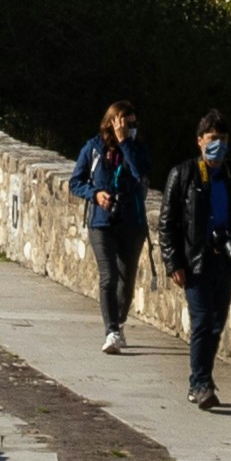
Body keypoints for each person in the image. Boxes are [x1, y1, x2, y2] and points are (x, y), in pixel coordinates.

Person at [168, 115, 231, 411]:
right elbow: (168, 224)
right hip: (195, 262)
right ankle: (200, 384)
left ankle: (203, 379)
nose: (218, 146)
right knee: (203, 321)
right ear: (200, 140)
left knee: (216, 324)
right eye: (213, 139)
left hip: (224, 262)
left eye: (223, 141)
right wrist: (173, 262)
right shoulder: (183, 175)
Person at [71, 104, 155, 351]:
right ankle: (111, 331)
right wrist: (95, 194)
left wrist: (125, 142)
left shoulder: (138, 148)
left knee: (126, 281)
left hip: (131, 222)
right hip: (102, 222)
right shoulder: (93, 149)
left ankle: (118, 323)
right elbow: (75, 182)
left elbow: (141, 172)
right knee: (108, 275)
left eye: (134, 123)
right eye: (126, 123)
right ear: (112, 122)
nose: (131, 128)